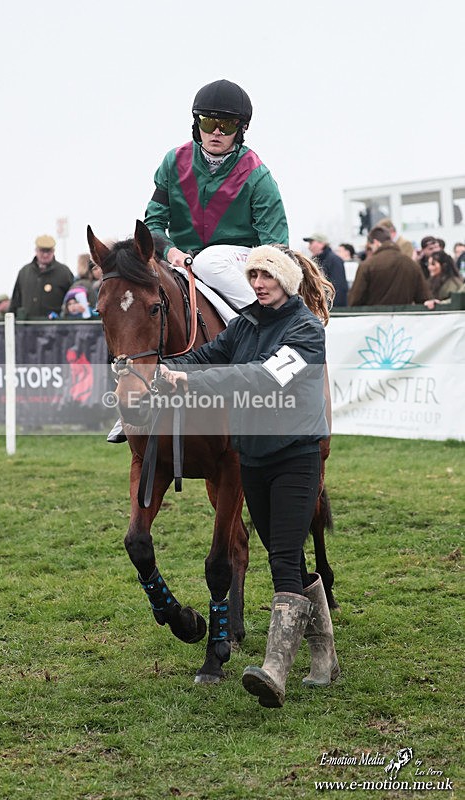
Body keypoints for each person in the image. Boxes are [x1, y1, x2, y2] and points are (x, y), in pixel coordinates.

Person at [159, 244, 339, 708]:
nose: (258, 283)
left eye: (268, 276)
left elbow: (262, 379)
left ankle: (275, 670)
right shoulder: (245, 323)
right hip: (254, 457)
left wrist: (193, 383)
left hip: (297, 456)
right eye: (254, 275)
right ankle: (325, 657)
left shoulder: (306, 331)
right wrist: (160, 370)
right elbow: (209, 356)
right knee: (290, 558)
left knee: (281, 557)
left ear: (288, 282)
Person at [143, 78, 289, 310]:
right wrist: (172, 253)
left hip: (236, 262)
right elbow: (153, 224)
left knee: (209, 263)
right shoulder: (172, 162)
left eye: (227, 125)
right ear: (196, 123)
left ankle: (265, 320)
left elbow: (275, 245)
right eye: (208, 123)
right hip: (182, 259)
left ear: (242, 129)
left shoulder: (257, 174)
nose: (217, 132)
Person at [348, 226, 430, 306]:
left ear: (376, 242)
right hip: (404, 318)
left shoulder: (367, 265)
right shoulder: (411, 264)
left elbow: (355, 300)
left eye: (371, 246)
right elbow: (424, 298)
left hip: (374, 317)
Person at [9, 235, 74, 319]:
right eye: (42, 251)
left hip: (55, 327)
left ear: (53, 251)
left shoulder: (64, 272)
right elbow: (15, 301)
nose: (45, 255)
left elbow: (72, 298)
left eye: (49, 251)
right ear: (36, 250)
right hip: (28, 327)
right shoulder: (24, 272)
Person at [303, 233, 348, 306]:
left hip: (332, 308)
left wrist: (333, 308)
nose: (309, 247)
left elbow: (338, 287)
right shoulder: (315, 261)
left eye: (311, 243)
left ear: (321, 244)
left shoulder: (334, 260)